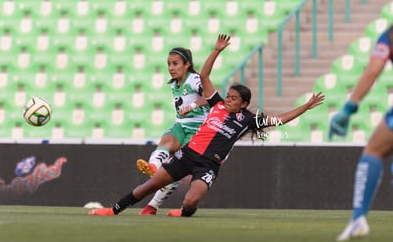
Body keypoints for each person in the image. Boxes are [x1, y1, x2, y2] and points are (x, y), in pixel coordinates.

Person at [88, 34, 324, 217]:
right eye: (228, 95)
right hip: (188, 156)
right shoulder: (217, 104)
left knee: (191, 200)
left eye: (233, 98)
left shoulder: (248, 121)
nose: (228, 98)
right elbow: (204, 76)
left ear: (244, 103)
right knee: (147, 186)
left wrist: (305, 106)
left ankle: (184, 213)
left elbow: (279, 119)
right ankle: (114, 209)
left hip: (208, 166)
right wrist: (216, 51)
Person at [135, 42, 215, 215]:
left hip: (198, 131)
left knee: (175, 170)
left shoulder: (194, 80)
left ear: (187, 64)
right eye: (169, 64)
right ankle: (154, 167)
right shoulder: (174, 83)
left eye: (175, 63)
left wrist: (193, 105)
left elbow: (212, 97)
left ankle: (153, 205)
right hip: (181, 125)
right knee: (166, 141)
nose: (171, 68)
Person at [329, 25, 393, 241]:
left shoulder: (390, 35)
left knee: (373, 151)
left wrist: (349, 108)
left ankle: (358, 219)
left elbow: (374, 69)